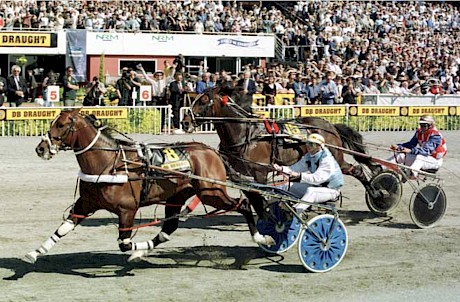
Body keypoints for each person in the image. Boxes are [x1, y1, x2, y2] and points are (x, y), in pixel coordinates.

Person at [273, 133, 344, 213]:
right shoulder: (309, 156)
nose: (308, 146)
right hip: (316, 186)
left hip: (330, 190)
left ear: (319, 146)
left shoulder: (327, 160)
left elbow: (317, 179)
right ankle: (275, 211)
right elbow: (295, 168)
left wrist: (299, 175)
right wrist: (281, 168)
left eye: (311, 144)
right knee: (283, 185)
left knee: (311, 191)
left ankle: (296, 211)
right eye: (307, 143)